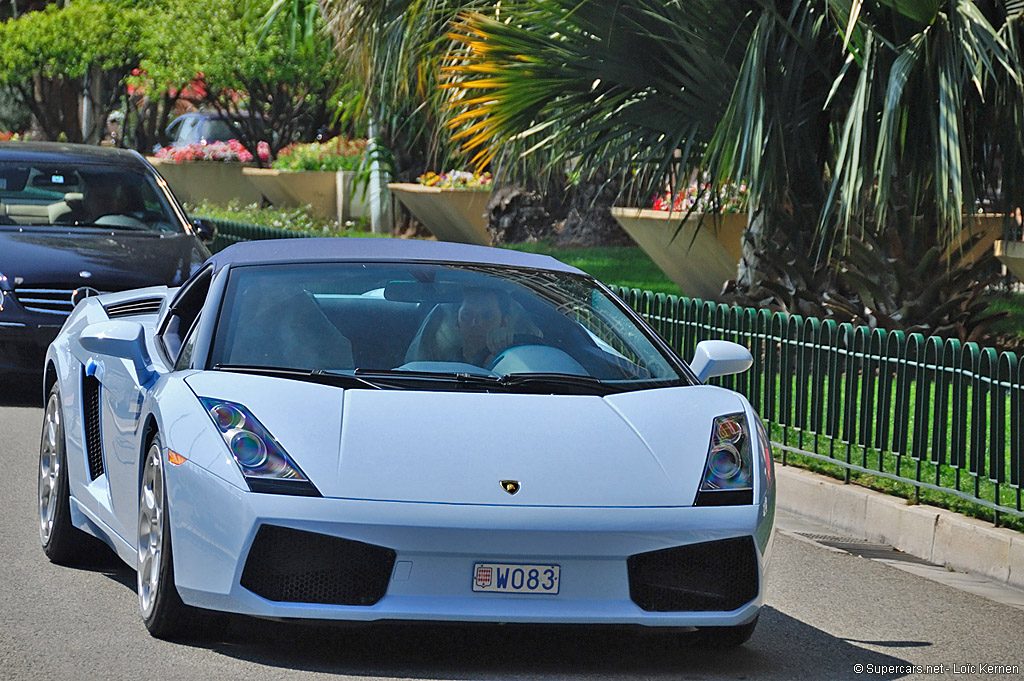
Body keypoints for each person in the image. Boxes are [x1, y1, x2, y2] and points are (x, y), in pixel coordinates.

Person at [406, 287, 530, 366]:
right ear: (456, 322)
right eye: (467, 315)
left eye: (487, 316)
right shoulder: (437, 369)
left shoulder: (519, 365)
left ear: (504, 323)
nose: (475, 323)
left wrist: (511, 347)